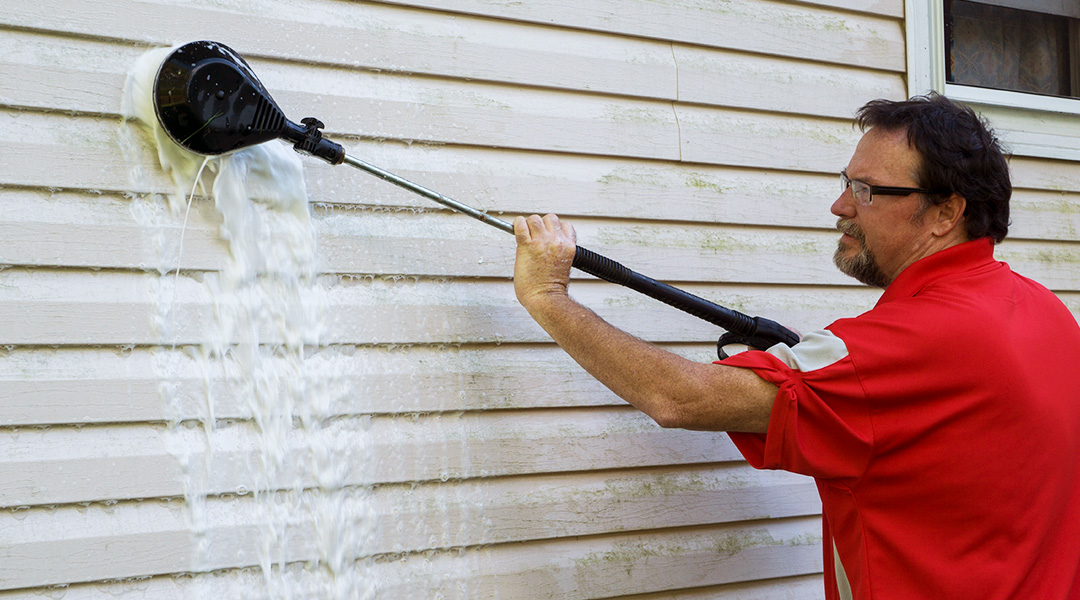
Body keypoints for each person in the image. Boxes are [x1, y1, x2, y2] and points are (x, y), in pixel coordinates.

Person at [511, 94, 1080, 599]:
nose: (841, 206)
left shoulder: (894, 348)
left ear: (946, 212)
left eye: (867, 191)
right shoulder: (1050, 315)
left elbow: (680, 398)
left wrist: (548, 296)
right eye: (846, 181)